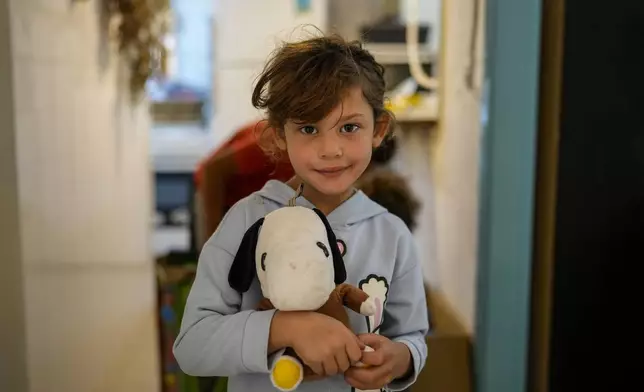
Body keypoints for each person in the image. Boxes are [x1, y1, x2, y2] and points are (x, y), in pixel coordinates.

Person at [173, 34, 429, 392]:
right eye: (309, 128)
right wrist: (285, 327)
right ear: (279, 135)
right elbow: (193, 346)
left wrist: (399, 359)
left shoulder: (392, 234)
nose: (330, 149)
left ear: (379, 129)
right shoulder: (246, 221)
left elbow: (413, 335)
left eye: (349, 127)